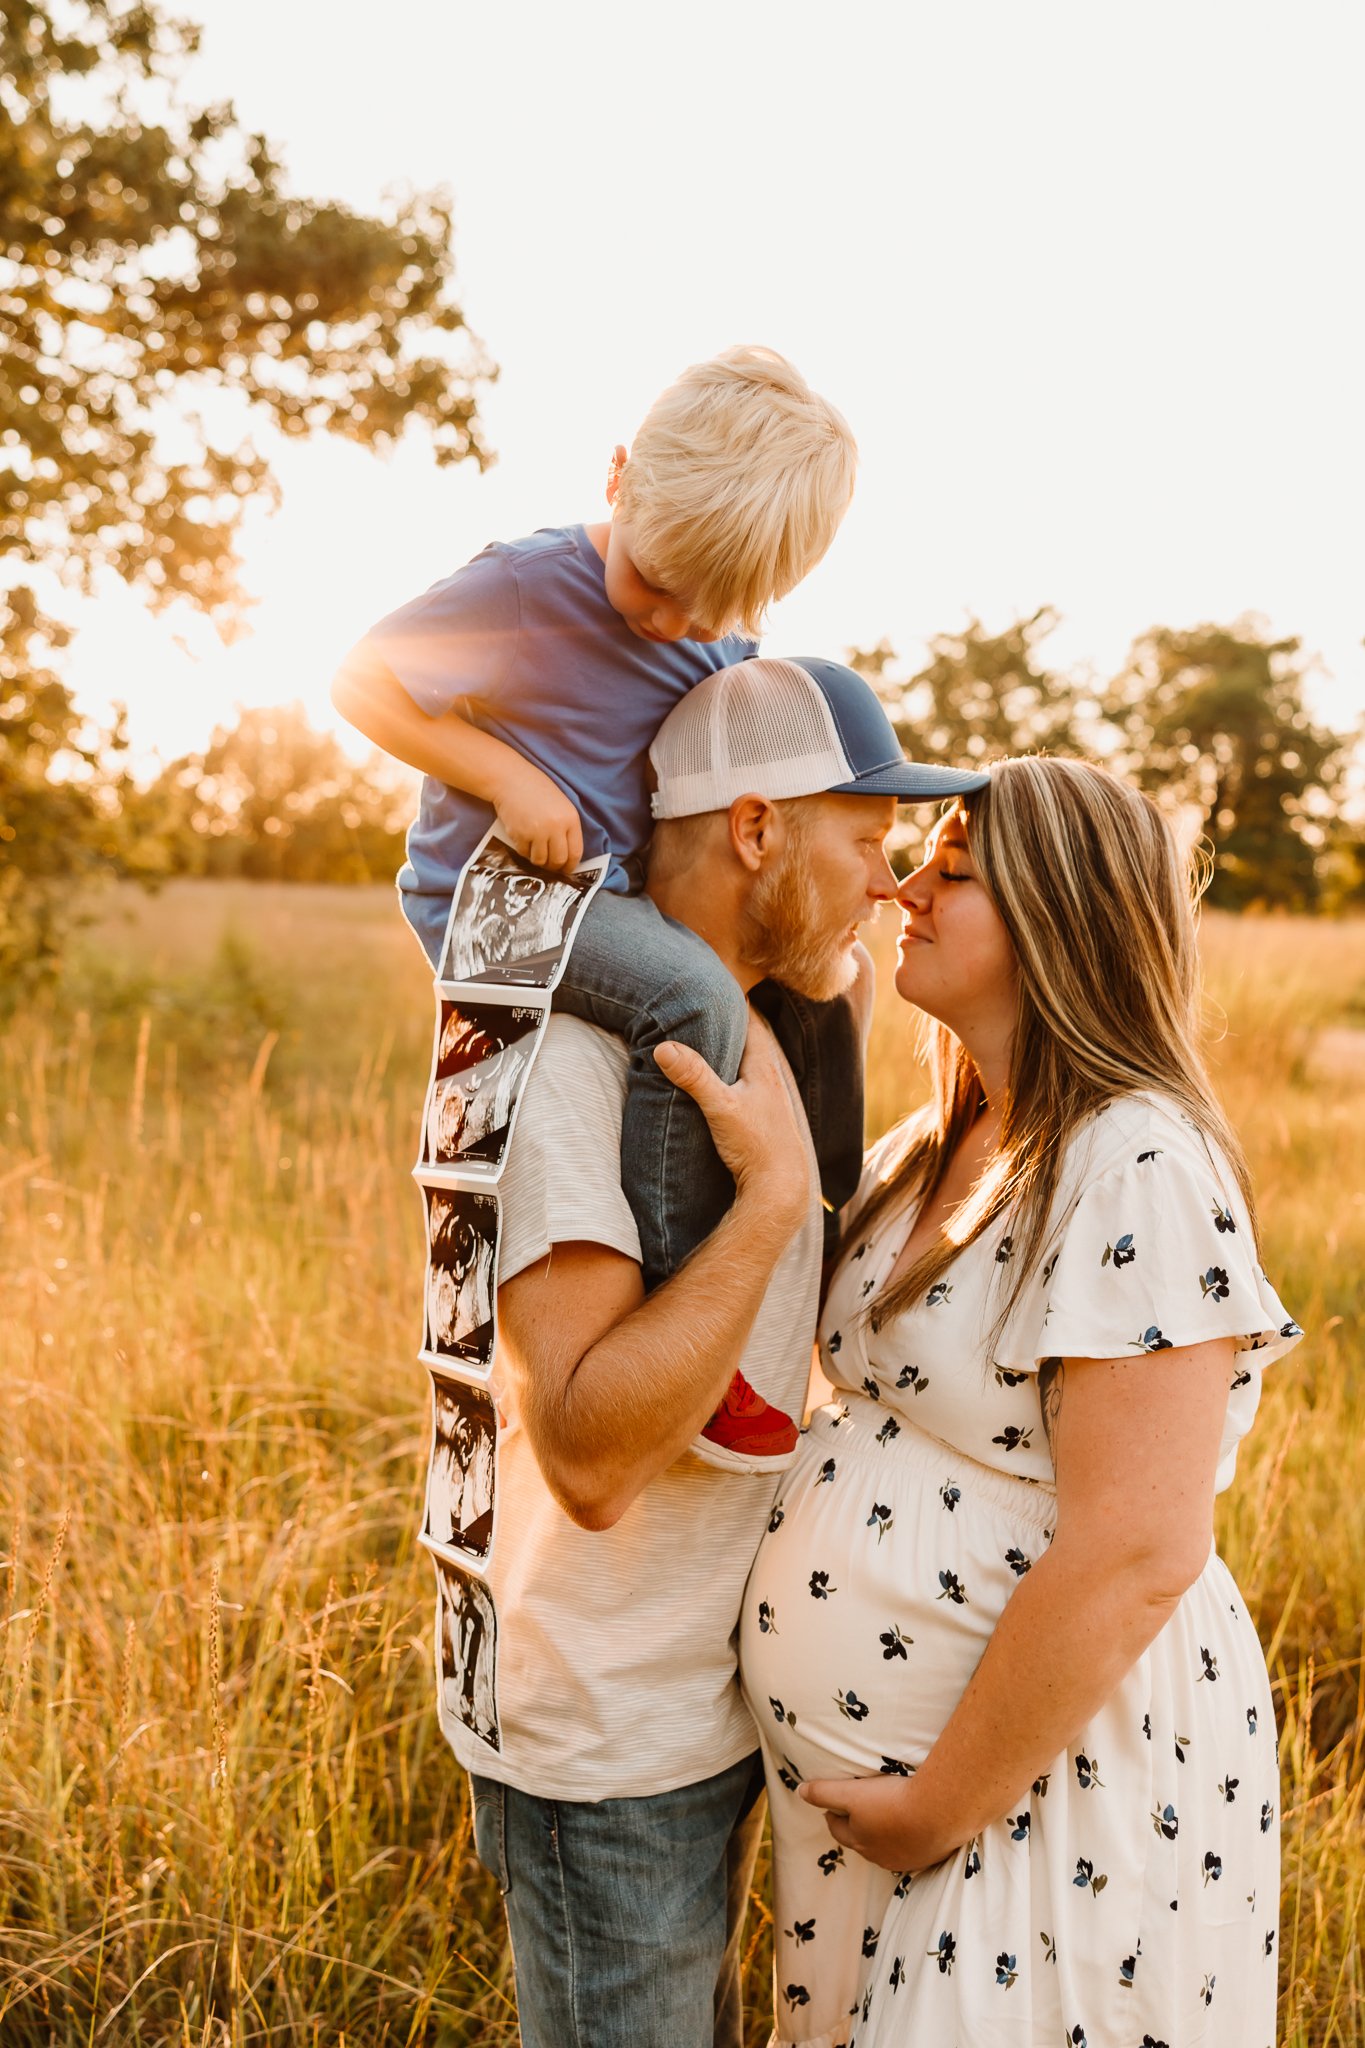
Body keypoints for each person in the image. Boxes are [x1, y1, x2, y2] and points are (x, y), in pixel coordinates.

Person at [453, 659, 986, 2048]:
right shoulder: (572, 1054)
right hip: (612, 1741)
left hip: (735, 1699)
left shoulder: (792, 1015)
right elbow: (587, 1457)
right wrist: (765, 1205)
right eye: (866, 843)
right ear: (754, 829)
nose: (888, 884)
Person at [738, 758, 1302, 2048]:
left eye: (953, 872)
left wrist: (940, 1801)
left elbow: (1138, 1545)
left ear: (1060, 913)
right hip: (905, 1800)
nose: (903, 892)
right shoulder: (938, 1141)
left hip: (1039, 1786)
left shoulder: (1138, 1155)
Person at [331, 346, 862, 1473]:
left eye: (710, 607)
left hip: (613, 895)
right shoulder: (528, 585)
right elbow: (361, 680)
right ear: (616, 476)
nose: (673, 623)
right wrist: (505, 775)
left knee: (829, 987)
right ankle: (683, 1316)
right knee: (688, 995)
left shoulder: (715, 625)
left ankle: (833, 1241)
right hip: (504, 900)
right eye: (658, 586)